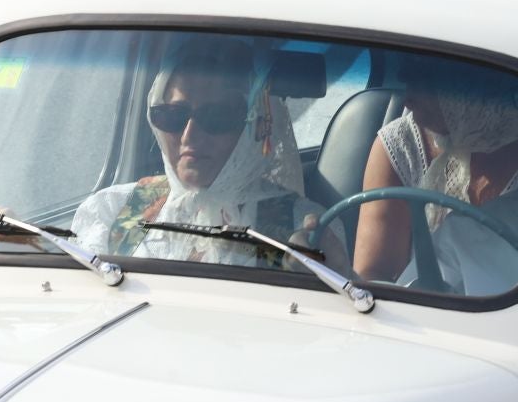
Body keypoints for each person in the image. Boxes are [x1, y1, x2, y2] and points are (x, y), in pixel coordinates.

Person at [70, 36, 341, 267]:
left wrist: (331, 274)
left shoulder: (306, 227)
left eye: (217, 117)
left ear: (256, 128)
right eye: (172, 115)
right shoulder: (111, 210)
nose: (190, 135)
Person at [351, 60, 518, 294]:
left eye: (426, 78)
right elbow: (372, 278)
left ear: (477, 86)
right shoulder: (401, 146)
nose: (408, 99)